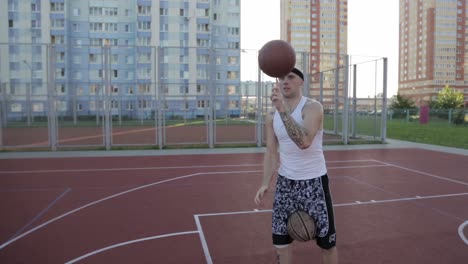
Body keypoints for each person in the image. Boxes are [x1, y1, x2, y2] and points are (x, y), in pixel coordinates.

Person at [254, 68, 338, 264]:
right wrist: (265, 182)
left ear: (301, 82)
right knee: (281, 244)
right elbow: (271, 152)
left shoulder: (312, 107)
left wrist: (283, 110)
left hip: (314, 183)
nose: (285, 81)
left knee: (327, 244)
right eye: (281, 77)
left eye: (290, 77)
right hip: (285, 184)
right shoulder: (270, 114)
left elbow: (304, 141)